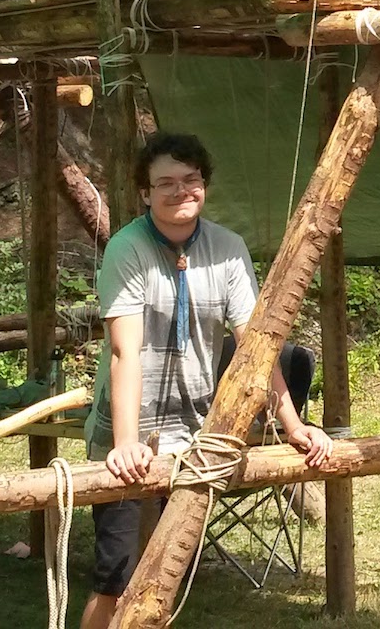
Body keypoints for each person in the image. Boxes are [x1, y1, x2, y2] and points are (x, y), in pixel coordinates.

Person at [79, 133, 332, 629]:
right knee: (115, 579)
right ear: (145, 193)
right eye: (166, 183)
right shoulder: (126, 248)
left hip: (195, 435)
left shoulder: (228, 249)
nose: (180, 191)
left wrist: (294, 425)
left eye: (190, 180)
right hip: (127, 430)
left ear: (205, 186)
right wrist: (126, 444)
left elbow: (260, 350)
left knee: (165, 579)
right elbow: (125, 352)